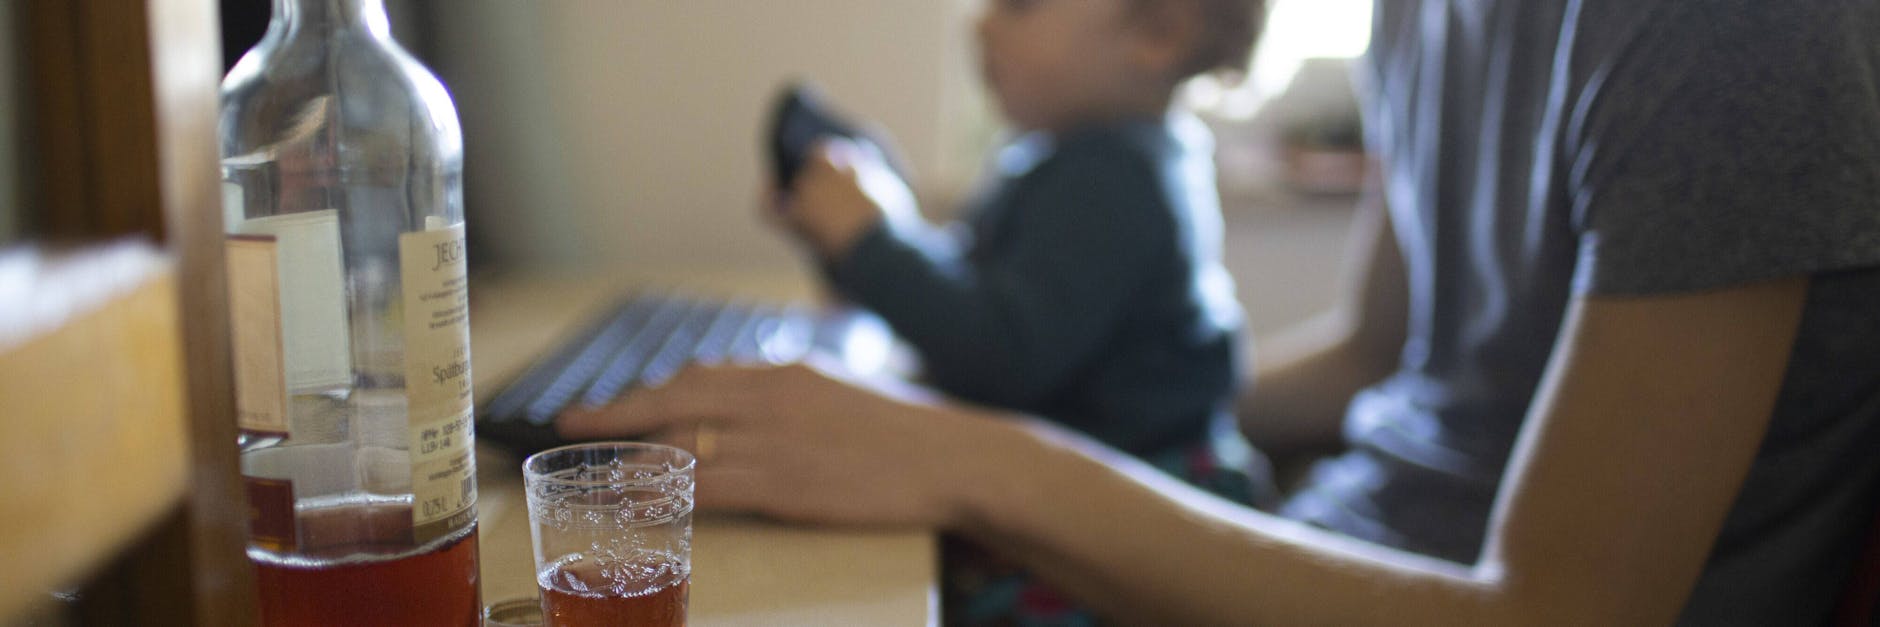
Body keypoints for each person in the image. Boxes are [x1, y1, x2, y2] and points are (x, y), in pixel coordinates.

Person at [563, 0, 1880, 624]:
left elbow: (1563, 613)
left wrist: (987, 462)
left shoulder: (1730, 30)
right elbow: (1379, 361)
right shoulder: (1420, 14)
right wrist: (965, 417)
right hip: (1324, 547)